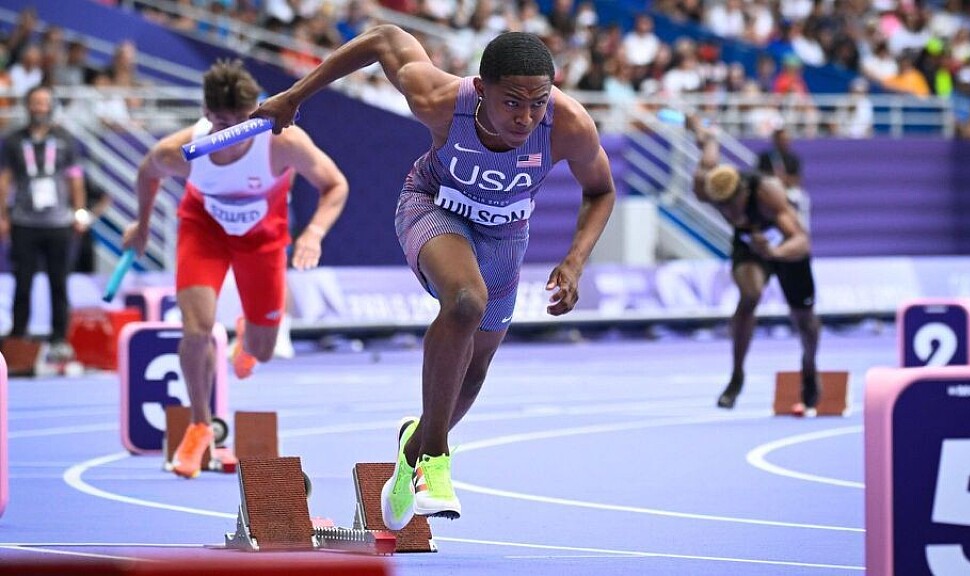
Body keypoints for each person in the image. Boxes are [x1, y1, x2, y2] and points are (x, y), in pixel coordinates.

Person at [252, 25, 616, 527]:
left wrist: (575, 261)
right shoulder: (440, 99)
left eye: (537, 103)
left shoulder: (569, 124)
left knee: (475, 369)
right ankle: (436, 461)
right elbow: (384, 38)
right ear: (482, 89)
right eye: (512, 103)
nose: (526, 118)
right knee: (466, 301)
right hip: (434, 206)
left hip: (506, 235)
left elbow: (601, 190)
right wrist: (294, 96)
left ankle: (412, 449)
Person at [121, 60, 349, 479]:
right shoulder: (181, 150)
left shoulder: (282, 142)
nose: (237, 132)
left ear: (255, 110)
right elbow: (148, 173)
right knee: (196, 330)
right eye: (225, 124)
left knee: (262, 351)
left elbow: (335, 185)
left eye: (244, 121)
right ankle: (199, 425)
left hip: (263, 239)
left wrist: (314, 233)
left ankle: (248, 334)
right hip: (204, 230)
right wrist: (142, 224)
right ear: (207, 115)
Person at [683, 113, 820, 413]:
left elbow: (802, 240)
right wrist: (698, 128)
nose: (731, 213)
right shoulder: (707, 186)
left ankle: (809, 366)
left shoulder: (767, 192)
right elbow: (710, 145)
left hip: (784, 247)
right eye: (723, 208)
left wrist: (776, 253)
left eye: (734, 205)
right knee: (750, 295)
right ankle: (736, 375)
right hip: (750, 245)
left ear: (744, 192)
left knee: (805, 321)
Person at [0, 85, 87, 362]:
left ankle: (60, 338)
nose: (39, 107)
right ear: (28, 106)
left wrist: (80, 211)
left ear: (51, 106)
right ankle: (18, 337)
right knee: (22, 282)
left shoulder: (65, 139)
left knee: (58, 282)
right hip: (24, 222)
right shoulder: (13, 140)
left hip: (58, 222)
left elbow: (75, 177)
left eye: (44, 102)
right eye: (35, 102)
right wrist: (2, 216)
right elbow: (4, 179)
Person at [756, 124, 808, 230]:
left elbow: (797, 179)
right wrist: (774, 180)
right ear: (775, 140)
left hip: (788, 190)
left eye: (786, 139)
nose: (784, 142)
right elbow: (759, 177)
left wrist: (784, 179)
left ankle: (800, 228)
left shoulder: (793, 158)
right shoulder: (765, 158)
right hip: (770, 190)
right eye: (781, 139)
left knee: (802, 198)